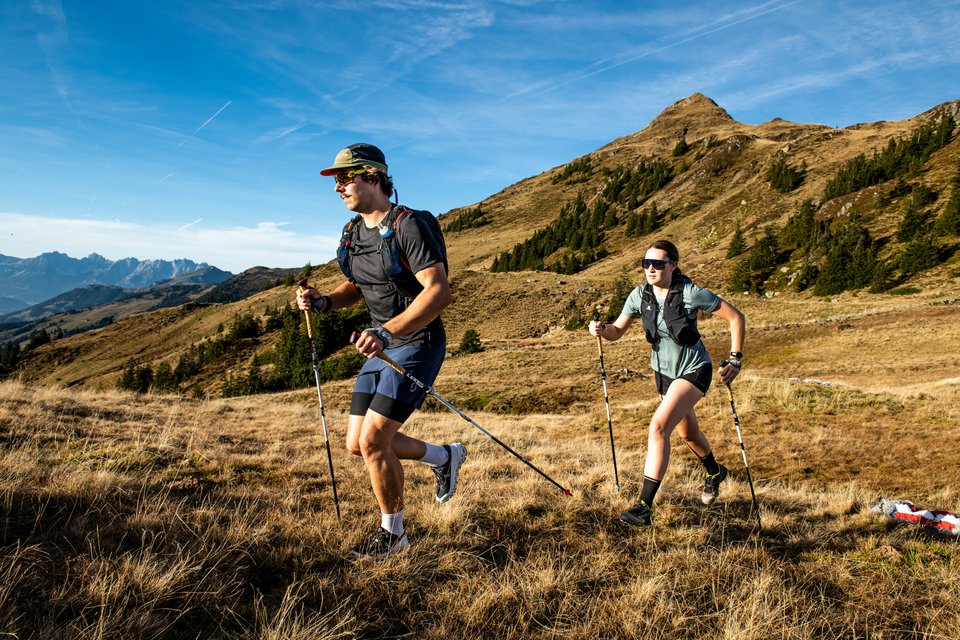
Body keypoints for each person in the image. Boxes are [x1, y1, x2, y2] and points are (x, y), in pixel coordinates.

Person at [297, 143, 465, 558]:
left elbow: (439, 292)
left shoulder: (409, 225)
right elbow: (358, 286)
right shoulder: (352, 233)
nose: (337, 187)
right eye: (336, 180)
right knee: (357, 444)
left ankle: (394, 536)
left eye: (344, 177)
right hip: (382, 346)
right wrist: (324, 301)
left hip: (417, 344)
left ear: (372, 176)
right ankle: (444, 457)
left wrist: (387, 333)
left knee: (374, 441)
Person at [589, 239, 745, 527]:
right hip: (664, 375)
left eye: (657, 264)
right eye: (646, 263)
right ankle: (714, 472)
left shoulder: (691, 294)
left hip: (694, 369)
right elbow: (616, 332)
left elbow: (736, 317)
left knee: (658, 427)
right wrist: (600, 329)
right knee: (688, 433)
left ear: (673, 265)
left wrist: (735, 360)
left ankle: (643, 506)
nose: (650, 269)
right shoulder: (639, 296)